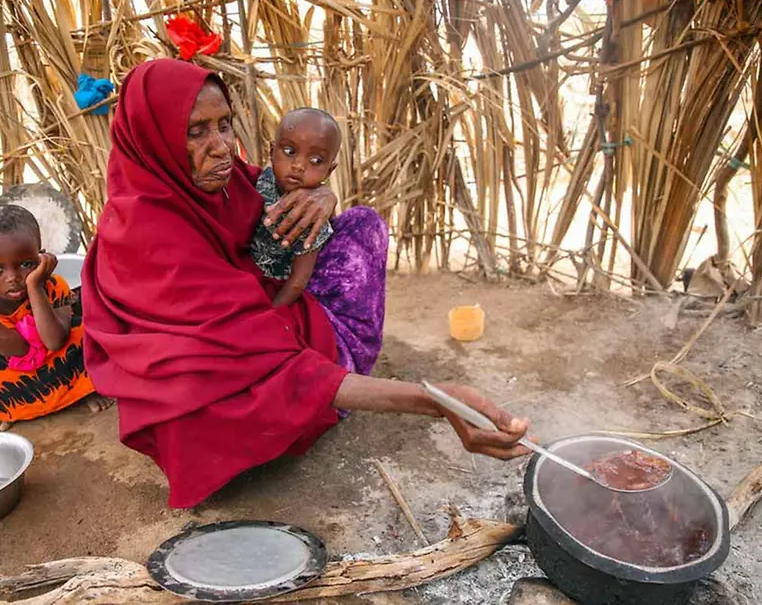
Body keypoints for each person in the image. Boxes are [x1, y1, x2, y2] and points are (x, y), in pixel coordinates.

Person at [80, 59, 532, 509]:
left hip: (261, 314)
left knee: (361, 226)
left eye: (225, 125)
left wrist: (321, 194)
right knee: (196, 406)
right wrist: (435, 400)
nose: (221, 147)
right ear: (152, 135)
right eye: (196, 131)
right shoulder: (146, 231)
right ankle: (325, 393)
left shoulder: (219, 179)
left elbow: (274, 187)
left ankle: (334, 375)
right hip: (210, 357)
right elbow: (248, 351)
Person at [0, 204, 113, 432]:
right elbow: (16, 351)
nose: (13, 277)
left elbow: (54, 341)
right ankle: (15, 407)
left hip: (56, 354)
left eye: (26, 264)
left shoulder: (54, 287)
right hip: (19, 366)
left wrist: (34, 287)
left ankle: (81, 392)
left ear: (40, 256)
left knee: (82, 329)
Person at [250, 108, 340, 308]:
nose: (299, 165)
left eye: (316, 160)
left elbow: (298, 281)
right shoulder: (257, 182)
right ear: (271, 152)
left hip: (276, 290)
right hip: (240, 278)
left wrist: (271, 313)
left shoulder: (316, 219)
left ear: (329, 170)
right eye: (289, 151)